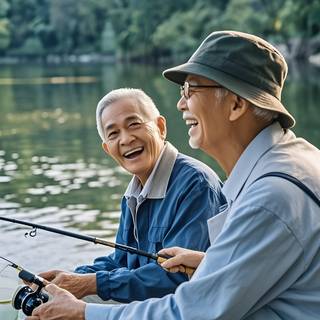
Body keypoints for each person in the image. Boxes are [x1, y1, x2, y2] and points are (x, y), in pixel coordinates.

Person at [27, 31, 320, 320]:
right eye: (183, 93)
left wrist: (84, 312)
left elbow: (191, 313)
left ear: (236, 105)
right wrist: (208, 264)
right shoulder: (287, 164)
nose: (181, 103)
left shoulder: (268, 197)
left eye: (191, 91)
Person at [36, 88, 224, 304]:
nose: (126, 139)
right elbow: (122, 261)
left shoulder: (196, 183)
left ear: (161, 127)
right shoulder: (133, 195)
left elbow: (178, 277)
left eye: (134, 124)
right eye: (113, 133)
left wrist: (90, 283)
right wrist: (70, 278)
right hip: (150, 303)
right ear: (108, 149)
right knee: (46, 304)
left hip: (184, 308)